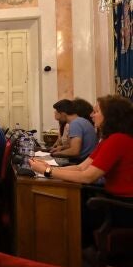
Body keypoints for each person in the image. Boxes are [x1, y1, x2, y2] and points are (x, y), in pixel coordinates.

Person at [30, 96, 133, 240]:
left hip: (123, 207)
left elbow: (88, 176)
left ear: (110, 116)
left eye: (96, 111)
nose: (91, 115)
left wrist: (48, 172)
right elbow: (80, 168)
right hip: (113, 201)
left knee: (66, 211)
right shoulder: (110, 139)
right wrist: (46, 166)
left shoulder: (117, 140)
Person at [50, 99, 97, 163]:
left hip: (81, 161)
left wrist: (56, 154)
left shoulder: (75, 124)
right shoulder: (81, 121)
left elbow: (74, 151)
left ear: (63, 114)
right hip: (86, 160)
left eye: (56, 111)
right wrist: (62, 148)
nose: (54, 113)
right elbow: (76, 145)